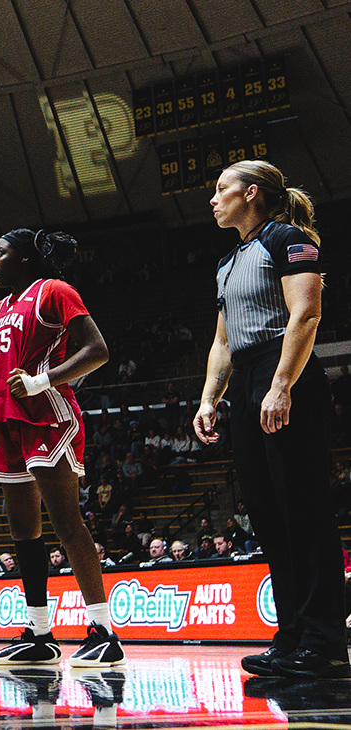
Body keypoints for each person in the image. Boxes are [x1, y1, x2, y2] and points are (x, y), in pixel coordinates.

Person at [196, 161, 346, 678]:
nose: (212, 200)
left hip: (286, 368)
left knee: (302, 505)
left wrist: (281, 384)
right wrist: (209, 399)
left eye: (221, 190)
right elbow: (221, 339)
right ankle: (293, 635)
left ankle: (326, 639)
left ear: (251, 193)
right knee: (266, 510)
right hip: (247, 376)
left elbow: (305, 314)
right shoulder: (228, 261)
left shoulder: (288, 239)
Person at [0, 229, 122, 668]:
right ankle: (40, 633)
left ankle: (103, 631)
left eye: (0, 253)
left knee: (65, 520)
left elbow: (98, 351)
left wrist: (42, 381)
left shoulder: (55, 290)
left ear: (24, 258)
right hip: (7, 421)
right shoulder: (1, 307)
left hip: (47, 415)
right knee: (22, 529)